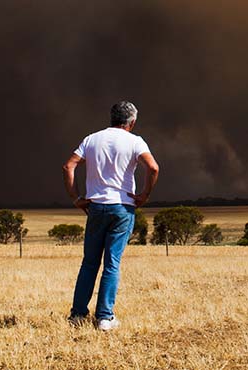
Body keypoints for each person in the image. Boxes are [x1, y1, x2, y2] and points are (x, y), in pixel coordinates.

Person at [62, 101, 159, 331]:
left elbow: (68, 166)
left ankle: (77, 315)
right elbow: (153, 168)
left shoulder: (91, 139)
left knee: (89, 263)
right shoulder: (136, 141)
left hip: (95, 207)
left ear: (111, 117)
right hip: (122, 208)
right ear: (132, 122)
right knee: (112, 264)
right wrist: (144, 195)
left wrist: (76, 198)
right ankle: (105, 318)